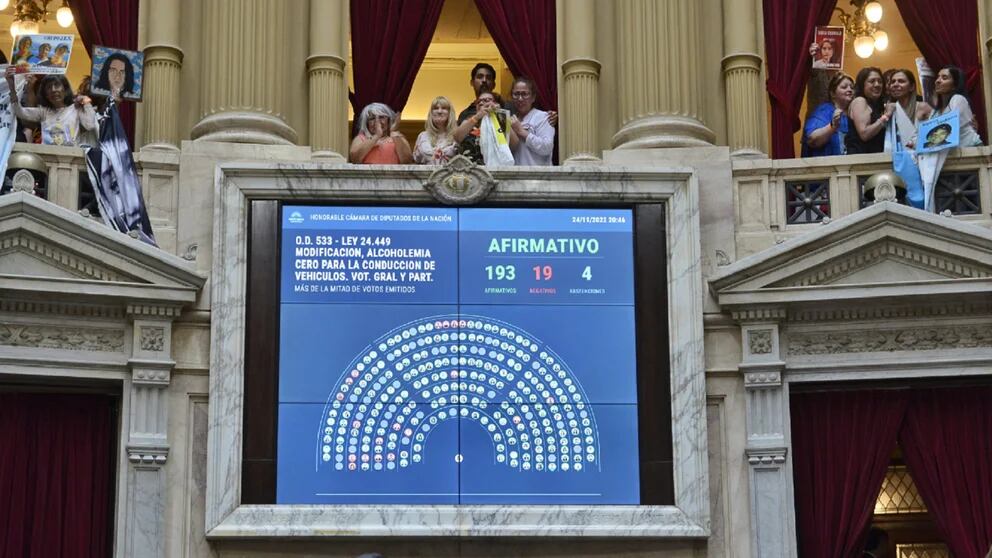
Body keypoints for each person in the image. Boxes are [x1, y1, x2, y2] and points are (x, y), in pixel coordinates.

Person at [5, 67, 97, 147]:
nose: (53, 90)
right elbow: (19, 111)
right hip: (47, 160)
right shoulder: (44, 112)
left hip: (70, 160)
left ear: (65, 90)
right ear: (46, 95)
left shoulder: (76, 108)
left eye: (57, 85)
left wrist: (86, 102)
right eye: (49, 87)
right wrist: (11, 87)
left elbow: (90, 126)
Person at [453, 89, 518, 165]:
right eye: (478, 102)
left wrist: (499, 115)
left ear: (496, 103)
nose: (481, 103)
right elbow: (457, 137)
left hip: (494, 170)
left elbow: (514, 144)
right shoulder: (469, 120)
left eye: (487, 100)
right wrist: (477, 116)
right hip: (470, 171)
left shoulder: (501, 121)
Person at [802, 73, 854, 157]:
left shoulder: (855, 113)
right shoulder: (823, 111)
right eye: (844, 87)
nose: (850, 90)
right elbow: (812, 140)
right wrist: (832, 127)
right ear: (833, 93)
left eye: (852, 87)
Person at [931, 65, 982, 147]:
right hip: (951, 154)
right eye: (938, 77)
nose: (937, 81)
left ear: (955, 85)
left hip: (971, 150)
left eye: (944, 78)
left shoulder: (958, 99)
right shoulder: (935, 111)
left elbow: (949, 127)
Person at [508, 77, 554, 166]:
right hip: (516, 176)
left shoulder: (543, 117)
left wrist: (521, 131)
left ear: (533, 97)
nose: (520, 98)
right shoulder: (510, 120)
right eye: (516, 94)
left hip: (538, 176)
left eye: (524, 94)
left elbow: (546, 147)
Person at [846, 67, 893, 154]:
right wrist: (886, 116)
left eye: (880, 81)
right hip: (861, 161)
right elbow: (864, 134)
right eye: (872, 81)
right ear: (862, 84)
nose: (877, 84)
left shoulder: (878, 105)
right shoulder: (860, 101)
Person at [348, 102, 412, 164]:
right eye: (372, 118)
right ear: (366, 123)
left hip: (392, 174)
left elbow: (407, 161)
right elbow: (355, 159)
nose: (377, 121)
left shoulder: (398, 137)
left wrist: (394, 134)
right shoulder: (361, 138)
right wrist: (376, 136)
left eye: (381, 117)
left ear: (389, 120)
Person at [413, 96, 458, 164]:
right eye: (436, 108)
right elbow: (415, 160)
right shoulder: (423, 136)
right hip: (425, 174)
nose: (439, 111)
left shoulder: (457, 136)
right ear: (431, 113)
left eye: (444, 108)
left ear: (449, 113)